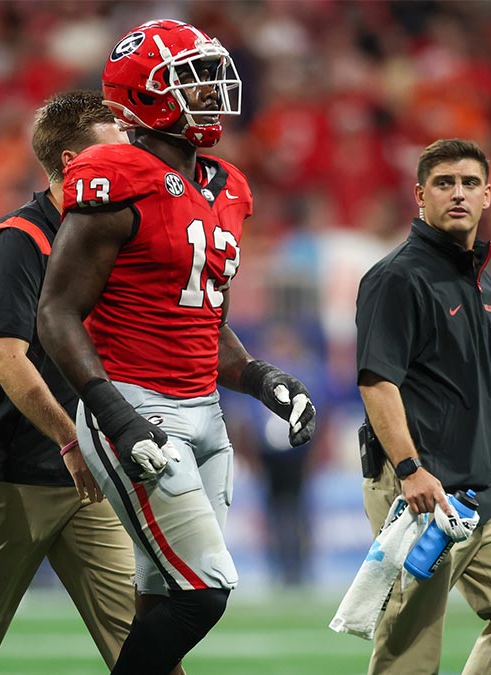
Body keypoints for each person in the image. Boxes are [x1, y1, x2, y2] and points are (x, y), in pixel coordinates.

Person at [38, 20, 317, 675]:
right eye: (189, 77)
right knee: (207, 587)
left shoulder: (227, 187)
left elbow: (200, 316)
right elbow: (54, 312)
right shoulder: (115, 172)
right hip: (137, 402)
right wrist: (113, 411)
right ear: (144, 95)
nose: (212, 89)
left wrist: (258, 376)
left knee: (163, 590)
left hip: (206, 413)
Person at [0, 90, 138, 674]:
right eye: (116, 154)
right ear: (74, 164)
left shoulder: (106, 234)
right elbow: (7, 361)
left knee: (145, 640)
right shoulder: (19, 242)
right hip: (11, 474)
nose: (131, 164)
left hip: (88, 476)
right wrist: (72, 441)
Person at [355, 138, 491, 674]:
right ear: (420, 195)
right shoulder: (396, 278)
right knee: (411, 648)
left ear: (489, 195)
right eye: (444, 183)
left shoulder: (483, 284)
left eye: (469, 183)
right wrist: (410, 470)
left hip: (484, 490)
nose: (458, 194)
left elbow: (487, 386)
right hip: (423, 490)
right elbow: (377, 383)